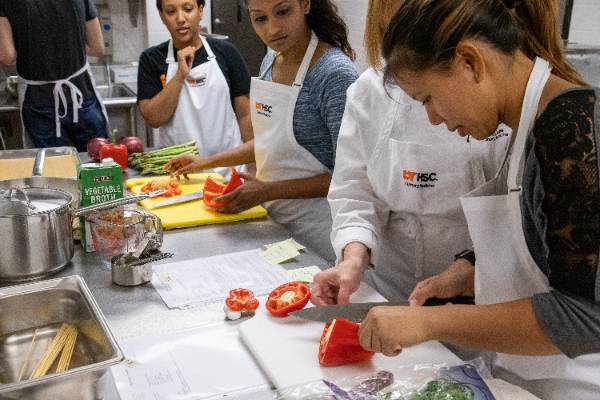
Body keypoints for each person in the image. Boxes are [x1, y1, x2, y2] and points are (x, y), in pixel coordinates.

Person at [358, 0, 600, 399]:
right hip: (532, 379)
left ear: (470, 62)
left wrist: (432, 324)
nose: (433, 118)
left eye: (428, 98)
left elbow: (587, 316)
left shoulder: (570, 129)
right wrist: (469, 267)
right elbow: (545, 238)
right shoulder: (525, 121)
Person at [311, 0, 509, 304]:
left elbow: (513, 216)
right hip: (392, 285)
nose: (433, 115)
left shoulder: (492, 93)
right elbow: (354, 190)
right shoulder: (369, 92)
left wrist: (469, 269)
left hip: (481, 288)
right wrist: (353, 258)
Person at [165, 0, 358, 261]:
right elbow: (273, 143)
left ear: (305, 4)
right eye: (260, 18)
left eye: (282, 12)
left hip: (323, 232)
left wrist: (267, 190)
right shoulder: (271, 59)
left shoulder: (333, 73)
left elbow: (348, 178)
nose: (272, 29)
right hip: (274, 223)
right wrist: (205, 162)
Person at [137, 0, 253, 178]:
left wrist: (254, 168)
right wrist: (180, 75)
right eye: (170, 11)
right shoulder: (151, 59)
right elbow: (154, 118)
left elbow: (245, 116)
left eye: (188, 9)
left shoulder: (227, 53)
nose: (180, 18)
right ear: (162, 16)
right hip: (181, 174)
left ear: (200, 11)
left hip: (229, 171)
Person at [0, 0, 109, 151]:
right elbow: (98, 48)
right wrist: (68, 45)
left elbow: (7, 56)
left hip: (39, 102)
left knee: (53, 169)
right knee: (97, 166)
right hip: (81, 96)